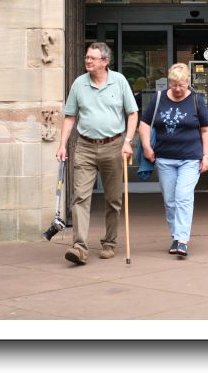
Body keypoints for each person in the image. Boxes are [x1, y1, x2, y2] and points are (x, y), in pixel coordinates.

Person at [56, 42, 138, 265]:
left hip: (114, 145)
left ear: (105, 61)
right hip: (85, 147)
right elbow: (70, 117)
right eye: (87, 57)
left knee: (113, 199)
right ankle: (79, 247)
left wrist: (128, 141)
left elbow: (132, 114)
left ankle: (109, 243)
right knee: (80, 197)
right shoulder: (79, 84)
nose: (88, 61)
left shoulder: (119, 81)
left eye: (92, 58)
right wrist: (62, 144)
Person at [138, 63, 208, 259]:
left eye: (181, 85)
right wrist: (146, 146)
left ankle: (182, 240)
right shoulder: (159, 98)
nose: (178, 89)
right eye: (174, 85)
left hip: (190, 158)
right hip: (164, 158)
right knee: (170, 201)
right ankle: (175, 236)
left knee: (183, 197)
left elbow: (206, 129)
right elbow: (145, 123)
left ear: (188, 82)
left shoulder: (197, 99)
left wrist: (206, 155)